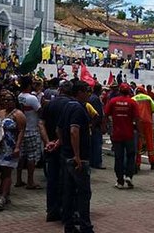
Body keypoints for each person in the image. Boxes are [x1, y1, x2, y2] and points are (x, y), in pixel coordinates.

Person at [58, 80, 94, 233]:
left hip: (66, 155)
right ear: (79, 92)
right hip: (78, 158)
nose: (88, 94)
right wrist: (77, 155)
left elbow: (59, 128)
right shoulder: (78, 109)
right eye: (86, 91)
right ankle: (85, 226)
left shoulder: (67, 106)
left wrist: (60, 142)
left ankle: (69, 225)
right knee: (84, 193)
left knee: (69, 192)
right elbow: (74, 131)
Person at [39, 81, 74, 222]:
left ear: (59, 90)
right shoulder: (72, 105)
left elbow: (41, 124)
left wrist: (47, 142)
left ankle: (52, 210)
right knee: (67, 180)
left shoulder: (49, 105)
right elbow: (71, 129)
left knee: (52, 179)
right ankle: (66, 210)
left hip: (51, 147)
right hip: (66, 147)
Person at [0, 90, 25, 209]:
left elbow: (21, 132)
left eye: (9, 100)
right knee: (1, 171)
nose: (6, 102)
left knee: (7, 171)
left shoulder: (18, 114)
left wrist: (17, 147)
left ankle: (3, 197)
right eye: (4, 99)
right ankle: (5, 193)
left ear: (14, 101)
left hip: (10, 146)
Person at [104, 83, 140, 189]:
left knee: (118, 158)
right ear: (129, 91)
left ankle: (120, 181)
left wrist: (105, 127)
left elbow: (105, 115)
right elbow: (137, 119)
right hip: (129, 134)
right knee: (130, 156)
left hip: (117, 134)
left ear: (119, 91)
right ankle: (129, 176)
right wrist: (140, 132)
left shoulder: (113, 101)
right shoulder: (132, 102)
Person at [15, 76, 43, 189]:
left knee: (21, 156)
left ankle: (18, 179)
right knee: (31, 157)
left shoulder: (19, 96)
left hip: (21, 130)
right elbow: (40, 111)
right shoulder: (32, 98)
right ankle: (30, 181)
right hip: (32, 129)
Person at [133, 85, 154, 170]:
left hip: (137, 123)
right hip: (148, 122)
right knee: (150, 141)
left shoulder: (133, 99)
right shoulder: (148, 98)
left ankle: (137, 163)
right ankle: (153, 162)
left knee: (138, 143)